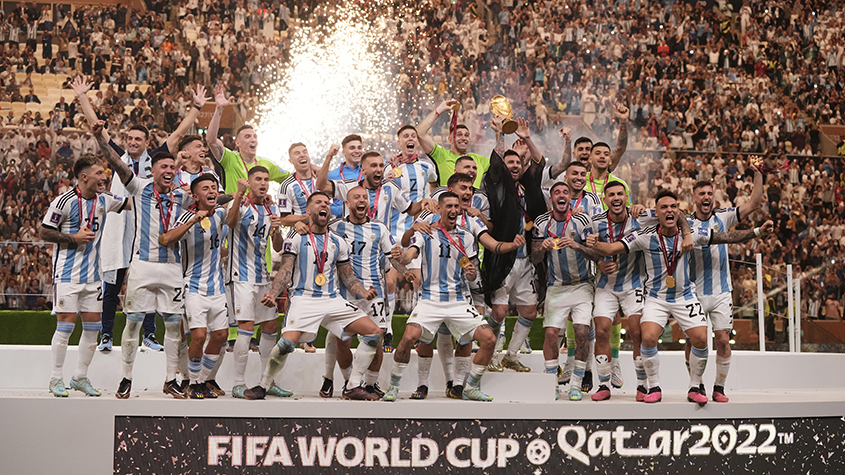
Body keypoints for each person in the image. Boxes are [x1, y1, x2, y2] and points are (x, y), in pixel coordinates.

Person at [587, 190, 773, 404]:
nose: (669, 210)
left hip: (685, 297)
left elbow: (727, 237)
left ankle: (694, 387)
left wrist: (757, 232)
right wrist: (594, 244)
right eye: (664, 207)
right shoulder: (644, 236)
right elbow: (611, 247)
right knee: (647, 337)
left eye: (673, 207)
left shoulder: (692, 233)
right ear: (656, 213)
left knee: (701, 339)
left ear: (679, 211)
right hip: (656, 298)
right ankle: (654, 386)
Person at [71, 76, 208, 353]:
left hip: (146, 227)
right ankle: (107, 335)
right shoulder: (119, 157)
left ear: (147, 143)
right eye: (130, 138)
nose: (132, 142)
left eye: (138, 139)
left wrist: (195, 107)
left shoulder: (156, 161)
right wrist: (83, 97)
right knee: (112, 284)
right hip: (118, 226)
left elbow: (179, 134)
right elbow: (99, 132)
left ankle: (149, 335)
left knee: (148, 284)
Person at [244, 192, 380, 401]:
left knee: (374, 333)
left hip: (332, 299)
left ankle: (353, 385)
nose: (324, 205)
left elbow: (347, 276)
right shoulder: (296, 236)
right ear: (308, 210)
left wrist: (363, 292)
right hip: (303, 299)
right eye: (318, 202)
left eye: (326, 202)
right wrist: (273, 293)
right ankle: (263, 386)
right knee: (286, 344)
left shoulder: (338, 241)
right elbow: (286, 269)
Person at [95, 123, 195, 400]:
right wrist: (99, 137)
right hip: (142, 265)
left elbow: (210, 199)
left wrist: (236, 196)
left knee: (174, 326)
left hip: (172, 267)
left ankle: (171, 379)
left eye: (172, 167)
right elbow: (116, 161)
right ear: (153, 169)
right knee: (133, 322)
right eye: (164, 166)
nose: (169, 170)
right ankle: (126, 378)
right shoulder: (139, 187)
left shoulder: (182, 196)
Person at [402, 173, 524, 399]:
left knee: (465, 335)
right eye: (463, 188)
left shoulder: (473, 219)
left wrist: (511, 246)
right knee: (434, 335)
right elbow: (410, 240)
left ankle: (459, 384)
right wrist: (413, 230)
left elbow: (493, 245)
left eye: (470, 189)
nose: (468, 192)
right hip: (433, 288)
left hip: (467, 285)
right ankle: (440, 381)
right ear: (450, 192)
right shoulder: (432, 213)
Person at [383, 191, 498, 402]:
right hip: (430, 299)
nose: (454, 210)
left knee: (489, 339)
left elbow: (471, 273)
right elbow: (408, 257)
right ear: (439, 209)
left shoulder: (466, 236)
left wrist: (471, 274)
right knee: (408, 338)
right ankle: (393, 386)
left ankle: (470, 387)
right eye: (449, 206)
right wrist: (401, 256)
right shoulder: (426, 232)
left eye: (456, 206)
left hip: (458, 300)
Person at [39, 154, 130, 397]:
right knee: (65, 327)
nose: (104, 177)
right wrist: (73, 238)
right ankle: (55, 378)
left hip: (93, 277)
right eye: (99, 173)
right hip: (67, 275)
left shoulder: (105, 199)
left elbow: (132, 203)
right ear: (84, 177)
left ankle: (80, 377)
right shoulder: (64, 201)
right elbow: (44, 232)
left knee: (92, 329)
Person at [685, 162, 763, 403]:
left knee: (722, 340)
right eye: (702, 193)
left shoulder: (723, 216)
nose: (706, 197)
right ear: (694, 198)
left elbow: (754, 204)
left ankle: (719, 387)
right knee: (693, 341)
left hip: (721, 292)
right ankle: (695, 385)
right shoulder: (685, 222)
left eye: (710, 193)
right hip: (693, 292)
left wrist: (758, 174)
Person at [321, 186, 405, 399]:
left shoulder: (380, 228)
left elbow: (392, 257)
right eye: (356, 197)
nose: (362, 200)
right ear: (347, 203)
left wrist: (404, 268)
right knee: (343, 340)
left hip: (375, 293)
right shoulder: (335, 227)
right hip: (345, 293)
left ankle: (370, 384)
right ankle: (349, 383)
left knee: (377, 338)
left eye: (365, 197)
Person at [159, 174, 228, 399]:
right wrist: (192, 220)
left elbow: (235, 215)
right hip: (194, 286)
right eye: (205, 188)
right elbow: (166, 238)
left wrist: (238, 196)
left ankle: (201, 381)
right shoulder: (187, 216)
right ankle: (193, 382)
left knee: (221, 335)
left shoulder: (221, 214)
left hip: (217, 287)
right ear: (195, 196)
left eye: (214, 187)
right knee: (198, 335)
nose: (211, 191)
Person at [530, 182, 596, 401]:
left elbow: (596, 254)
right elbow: (534, 258)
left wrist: (578, 246)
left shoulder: (582, 220)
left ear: (570, 198)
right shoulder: (541, 222)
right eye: (557, 192)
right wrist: (542, 248)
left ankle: (576, 383)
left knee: (581, 332)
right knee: (550, 334)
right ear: (551, 199)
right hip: (556, 286)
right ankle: (552, 382)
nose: (561, 195)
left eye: (565, 192)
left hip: (582, 284)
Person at [226, 169, 286, 399]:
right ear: (249, 182)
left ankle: (267, 381)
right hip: (240, 275)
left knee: (270, 327)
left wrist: (277, 229)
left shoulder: (271, 208)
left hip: (262, 276)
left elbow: (277, 246)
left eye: (266, 180)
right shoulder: (240, 204)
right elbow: (230, 223)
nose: (263, 183)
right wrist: (239, 195)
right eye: (258, 179)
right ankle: (238, 384)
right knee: (246, 328)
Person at [206, 84, 291, 194]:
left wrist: (308, 169)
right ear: (237, 143)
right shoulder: (230, 159)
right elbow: (211, 140)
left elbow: (290, 178)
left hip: (257, 206)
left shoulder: (266, 164)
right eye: (247, 136)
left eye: (255, 136)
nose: (253, 139)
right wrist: (219, 109)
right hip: (235, 205)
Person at [417, 99, 490, 188]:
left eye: (466, 135)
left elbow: (500, 160)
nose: (463, 138)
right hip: (448, 197)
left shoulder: (478, 159)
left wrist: (499, 131)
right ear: (450, 139)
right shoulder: (442, 155)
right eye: (459, 135)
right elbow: (419, 133)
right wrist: (440, 109)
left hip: (474, 197)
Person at [278, 142, 318, 227]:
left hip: (326, 231)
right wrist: (308, 217)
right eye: (297, 153)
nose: (302, 155)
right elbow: (284, 219)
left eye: (305, 152)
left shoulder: (321, 178)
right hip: (302, 231)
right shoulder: (286, 186)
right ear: (290, 161)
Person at [326, 134, 364, 217]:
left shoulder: (368, 173)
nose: (357, 151)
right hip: (342, 222)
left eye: (359, 148)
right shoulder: (332, 175)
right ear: (343, 152)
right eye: (352, 148)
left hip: (367, 221)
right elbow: (321, 203)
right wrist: (343, 209)